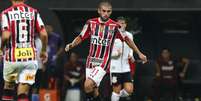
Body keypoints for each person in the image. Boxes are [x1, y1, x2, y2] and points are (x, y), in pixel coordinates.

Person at [65, 1, 147, 101]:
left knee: (87, 85)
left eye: (108, 11)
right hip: (90, 61)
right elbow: (81, 37)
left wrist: (139, 53)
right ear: (99, 11)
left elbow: (127, 40)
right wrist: (71, 44)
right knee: (92, 90)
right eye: (104, 11)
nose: (106, 13)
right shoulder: (90, 23)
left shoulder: (115, 26)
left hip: (103, 62)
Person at [0, 0, 48, 100]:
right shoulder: (33, 12)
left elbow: (5, 36)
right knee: (23, 92)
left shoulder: (6, 13)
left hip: (12, 60)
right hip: (30, 61)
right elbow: (44, 34)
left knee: (9, 88)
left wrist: (1, 49)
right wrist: (43, 50)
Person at [110, 16, 135, 101]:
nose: (121, 25)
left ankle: (115, 97)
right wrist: (116, 54)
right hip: (115, 68)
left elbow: (131, 47)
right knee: (116, 90)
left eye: (123, 23)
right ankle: (115, 96)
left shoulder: (129, 35)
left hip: (126, 67)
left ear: (126, 25)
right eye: (119, 23)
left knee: (129, 90)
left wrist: (131, 55)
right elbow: (106, 53)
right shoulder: (111, 35)